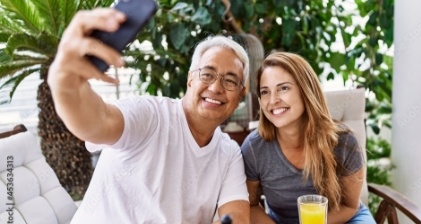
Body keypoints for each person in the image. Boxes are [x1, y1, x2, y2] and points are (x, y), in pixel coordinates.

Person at [48, 8, 250, 224]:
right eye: (207, 74)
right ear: (190, 79)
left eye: (230, 80)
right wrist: (65, 82)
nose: (216, 87)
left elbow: (236, 217)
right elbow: (98, 121)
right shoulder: (149, 115)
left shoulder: (228, 153)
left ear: (240, 94)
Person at [241, 52, 375, 224]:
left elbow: (350, 206)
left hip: (343, 219)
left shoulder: (343, 142)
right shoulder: (255, 148)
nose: (272, 100)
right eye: (265, 92)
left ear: (306, 91)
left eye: (283, 88)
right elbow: (249, 205)